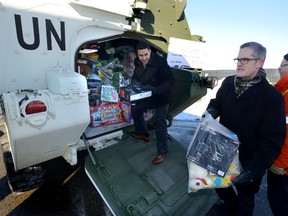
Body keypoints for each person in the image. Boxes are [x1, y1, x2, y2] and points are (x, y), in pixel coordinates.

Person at [205, 42, 286, 216]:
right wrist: (212, 110)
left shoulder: (272, 98)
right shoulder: (228, 83)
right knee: (218, 183)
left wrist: (252, 171)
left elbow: (272, 141)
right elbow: (217, 102)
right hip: (222, 151)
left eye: (245, 59)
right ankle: (227, 203)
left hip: (248, 161)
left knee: (244, 200)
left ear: (260, 63)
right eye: (238, 59)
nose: (239, 63)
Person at [130, 42, 175, 165]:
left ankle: (162, 151)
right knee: (135, 110)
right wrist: (133, 83)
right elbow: (136, 75)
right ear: (137, 54)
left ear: (150, 51)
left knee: (160, 121)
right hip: (148, 92)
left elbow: (169, 82)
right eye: (141, 55)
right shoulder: (137, 61)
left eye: (146, 54)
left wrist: (154, 89)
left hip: (162, 95)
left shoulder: (160, 62)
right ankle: (143, 133)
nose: (143, 58)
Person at [267, 53, 288, 216]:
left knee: (279, 200)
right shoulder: (282, 90)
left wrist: (280, 163)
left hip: (283, 164)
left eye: (282, 65)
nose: (278, 68)